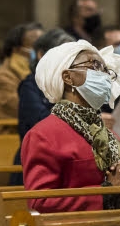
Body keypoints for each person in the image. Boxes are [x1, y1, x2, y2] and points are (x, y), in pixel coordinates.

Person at [21, 40, 120, 212]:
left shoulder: (109, 134)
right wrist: (107, 192)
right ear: (68, 77)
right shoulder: (42, 135)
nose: (105, 75)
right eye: (95, 65)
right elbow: (39, 200)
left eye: (106, 69)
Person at [9, 27, 74, 185]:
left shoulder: (72, 85)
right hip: (37, 161)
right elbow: (40, 122)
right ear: (41, 55)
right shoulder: (30, 85)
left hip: (67, 159)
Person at [0, 22, 44, 134]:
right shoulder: (4, 75)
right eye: (34, 46)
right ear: (16, 49)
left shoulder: (41, 70)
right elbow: (25, 109)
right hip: (10, 134)